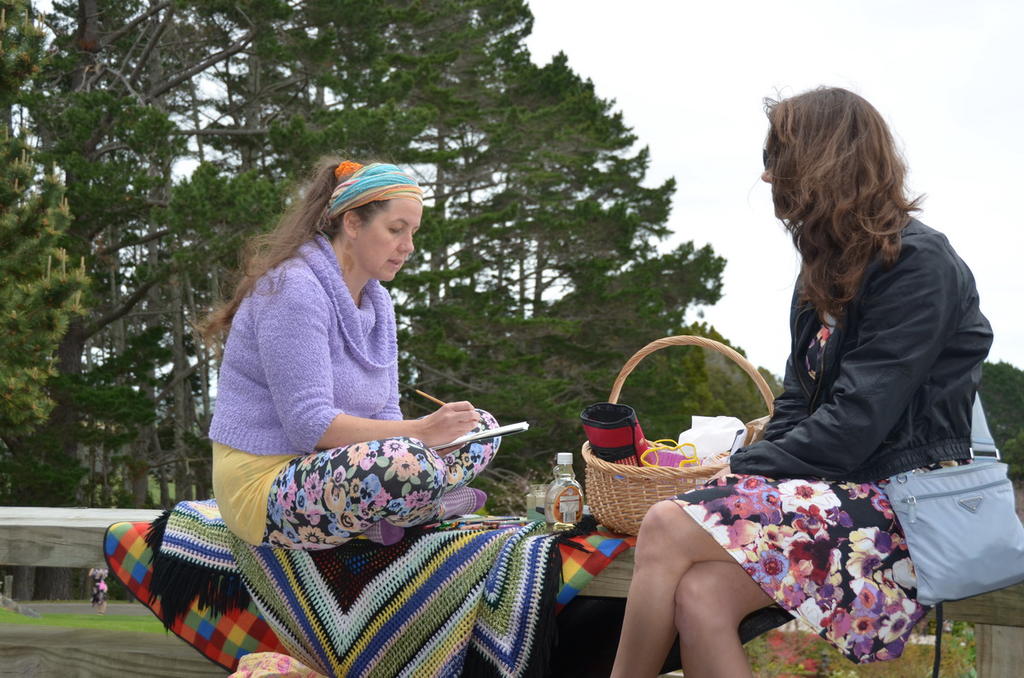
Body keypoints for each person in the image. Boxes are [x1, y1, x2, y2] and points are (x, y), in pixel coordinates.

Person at [610, 87, 993, 677]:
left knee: (665, 523)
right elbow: (796, 404)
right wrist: (749, 465)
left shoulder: (917, 265)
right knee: (701, 596)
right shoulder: (825, 271)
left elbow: (853, 426)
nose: (766, 176)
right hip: (841, 493)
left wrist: (737, 468)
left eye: (776, 158)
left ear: (822, 161)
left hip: (905, 510)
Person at [204, 160, 497, 550]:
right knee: (408, 461)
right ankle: (427, 508)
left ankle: (391, 514)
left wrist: (430, 437)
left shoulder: (379, 303)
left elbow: (387, 413)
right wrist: (421, 433)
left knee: (478, 429)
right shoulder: (294, 288)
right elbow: (310, 426)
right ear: (353, 223)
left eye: (412, 233)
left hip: (339, 471)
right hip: (264, 484)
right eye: (396, 229)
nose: (408, 246)